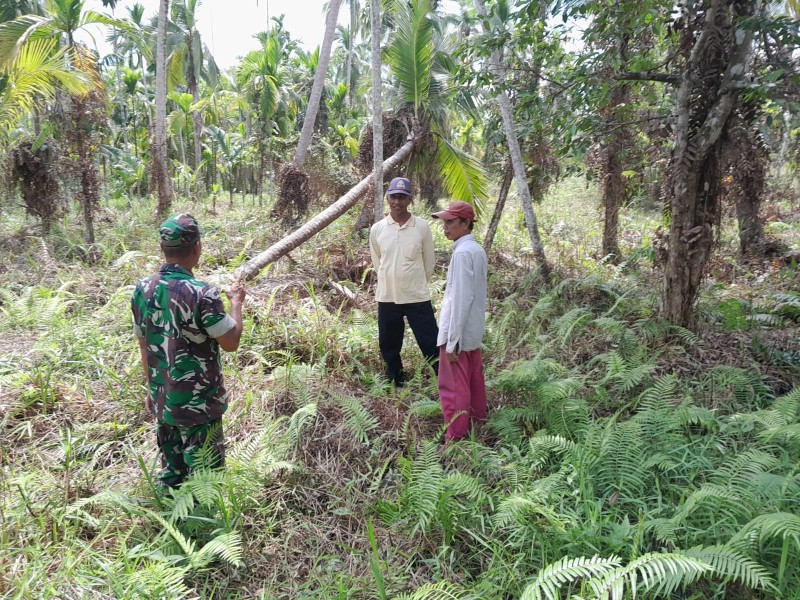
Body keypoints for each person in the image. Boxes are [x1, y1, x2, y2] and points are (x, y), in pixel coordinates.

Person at [131, 214, 245, 489]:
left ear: (163, 249)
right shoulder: (203, 293)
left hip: (163, 398)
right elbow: (230, 342)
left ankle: (170, 522)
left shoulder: (143, 289)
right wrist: (236, 303)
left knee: (172, 473)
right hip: (199, 406)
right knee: (206, 480)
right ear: (197, 248)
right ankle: (203, 528)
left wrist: (151, 388)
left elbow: (143, 344)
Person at [369, 177, 439, 386]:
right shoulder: (378, 229)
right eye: (393, 197)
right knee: (388, 343)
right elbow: (378, 262)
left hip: (416, 296)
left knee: (430, 342)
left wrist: (413, 282)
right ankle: (396, 381)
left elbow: (429, 262)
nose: (397, 201)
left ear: (410, 200)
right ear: (387, 198)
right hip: (388, 297)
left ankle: (444, 381)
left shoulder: (422, 227)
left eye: (402, 197)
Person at [431, 201, 488, 442]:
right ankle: (477, 427)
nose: (445, 227)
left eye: (450, 222)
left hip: (459, 333)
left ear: (465, 224)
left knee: (454, 388)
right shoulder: (476, 250)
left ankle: (455, 438)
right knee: (473, 382)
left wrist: (452, 340)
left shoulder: (463, 254)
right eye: (444, 222)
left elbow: (461, 299)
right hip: (472, 331)